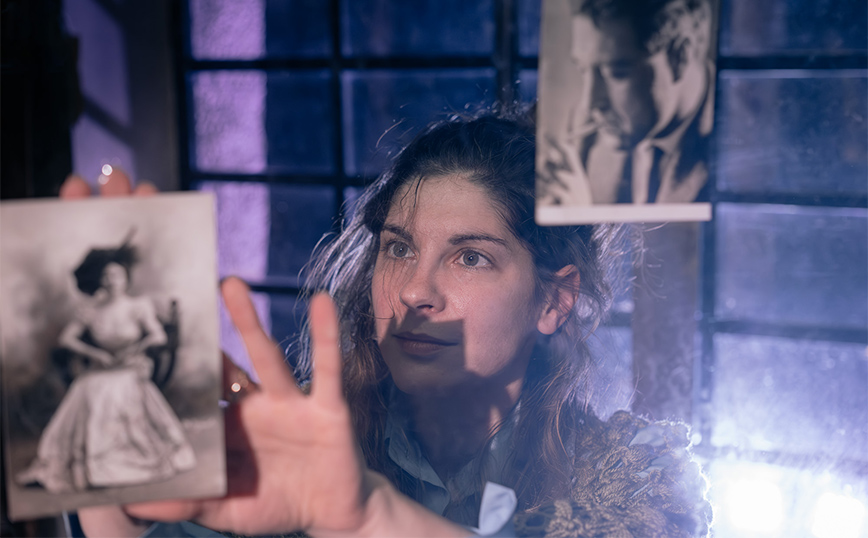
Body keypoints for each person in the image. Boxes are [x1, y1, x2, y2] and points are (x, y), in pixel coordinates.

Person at [74, 110, 712, 538]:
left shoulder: (636, 481)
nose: (413, 290)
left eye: (471, 257)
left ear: (554, 301)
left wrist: (367, 516)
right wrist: (121, 505)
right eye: (399, 247)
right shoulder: (303, 441)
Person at [16, 239, 196, 493]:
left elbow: (158, 336)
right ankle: (85, 462)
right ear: (100, 281)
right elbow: (66, 339)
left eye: (117, 275)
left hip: (130, 367)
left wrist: (135, 350)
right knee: (86, 387)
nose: (112, 281)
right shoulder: (92, 310)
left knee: (112, 389)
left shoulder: (138, 306)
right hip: (103, 368)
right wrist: (96, 353)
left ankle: (118, 459)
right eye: (106, 276)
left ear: (126, 278)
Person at [537, 0, 715, 206]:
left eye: (616, 73)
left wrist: (582, 217)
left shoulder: (731, 146)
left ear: (679, 57)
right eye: (583, 70)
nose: (590, 104)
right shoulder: (585, 133)